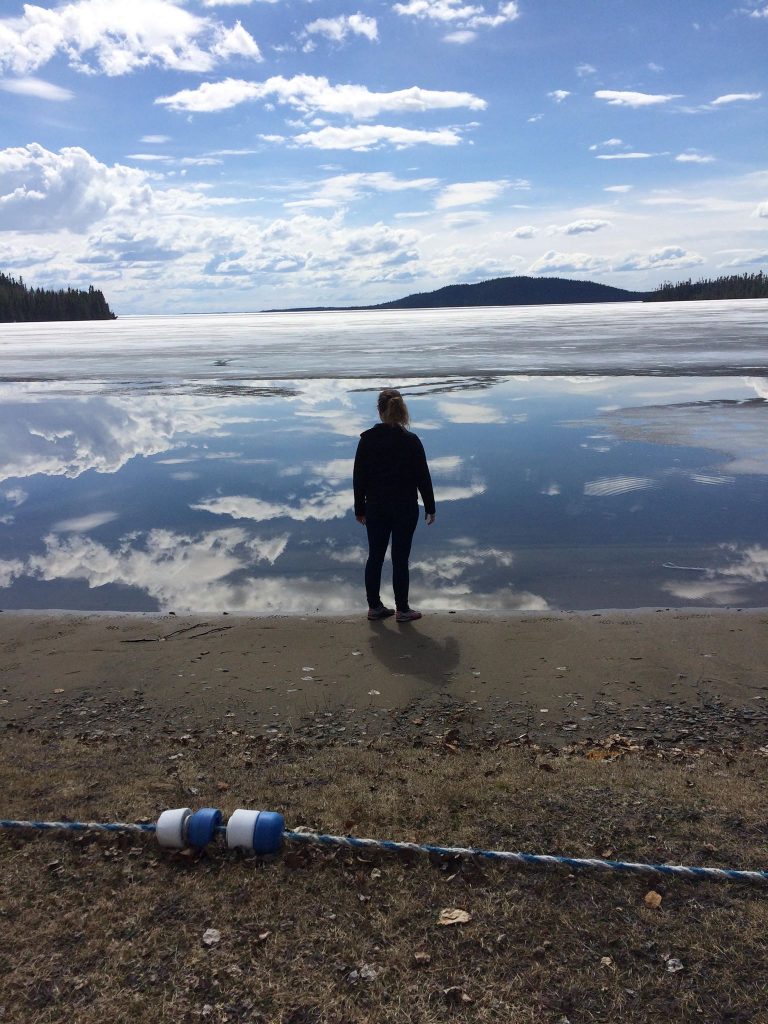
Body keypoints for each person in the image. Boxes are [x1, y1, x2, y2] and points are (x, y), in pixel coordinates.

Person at [353, 388, 436, 622]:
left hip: (376, 507)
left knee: (375, 557)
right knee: (400, 558)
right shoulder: (411, 441)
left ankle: (374, 607)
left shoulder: (367, 439)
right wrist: (430, 506)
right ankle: (402, 609)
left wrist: (359, 508)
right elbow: (423, 476)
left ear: (380, 411)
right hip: (405, 508)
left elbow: (359, 477)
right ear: (402, 411)